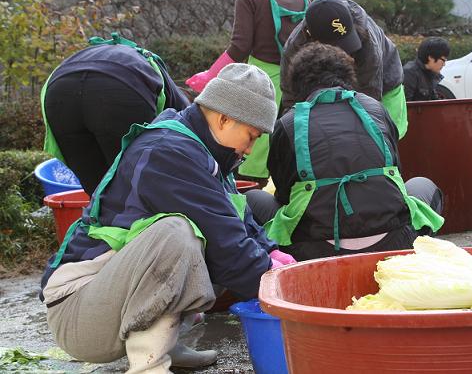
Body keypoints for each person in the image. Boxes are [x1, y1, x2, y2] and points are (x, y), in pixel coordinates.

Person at [40, 63, 295, 374]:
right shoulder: (168, 153)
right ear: (224, 118)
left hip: (110, 300)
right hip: (79, 312)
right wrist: (285, 287)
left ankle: (166, 343)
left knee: (198, 239)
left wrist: (271, 252)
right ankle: (149, 365)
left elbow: (234, 219)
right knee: (179, 233)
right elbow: (230, 251)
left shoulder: (204, 152)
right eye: (251, 136)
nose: (250, 149)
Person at [248, 42, 444, 261]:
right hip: (395, 240)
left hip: (314, 250)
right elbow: (395, 176)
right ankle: (417, 258)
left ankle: (276, 269)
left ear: (296, 86)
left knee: (250, 201)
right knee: (423, 185)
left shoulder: (288, 123)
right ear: (348, 77)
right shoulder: (375, 109)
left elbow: (284, 196)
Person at [186, 0, 308, 180]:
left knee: (250, 159)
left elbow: (239, 47)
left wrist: (210, 78)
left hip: (261, 89)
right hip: (298, 88)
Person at [42, 32, 190, 195]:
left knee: (98, 193)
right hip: (120, 86)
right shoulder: (180, 101)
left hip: (59, 89)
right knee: (140, 188)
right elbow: (190, 143)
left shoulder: (137, 61)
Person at [279, 0, 408, 138]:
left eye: (346, 44)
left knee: (383, 137)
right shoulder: (294, 49)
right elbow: (292, 100)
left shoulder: (368, 42)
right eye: (337, 47)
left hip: (384, 84)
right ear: (311, 37)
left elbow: (369, 99)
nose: (346, 53)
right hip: (325, 91)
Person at [403, 37, 450, 101]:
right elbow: (406, 105)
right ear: (431, 57)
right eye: (443, 60)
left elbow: (434, 102)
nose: (444, 64)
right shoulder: (409, 73)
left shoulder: (429, 72)